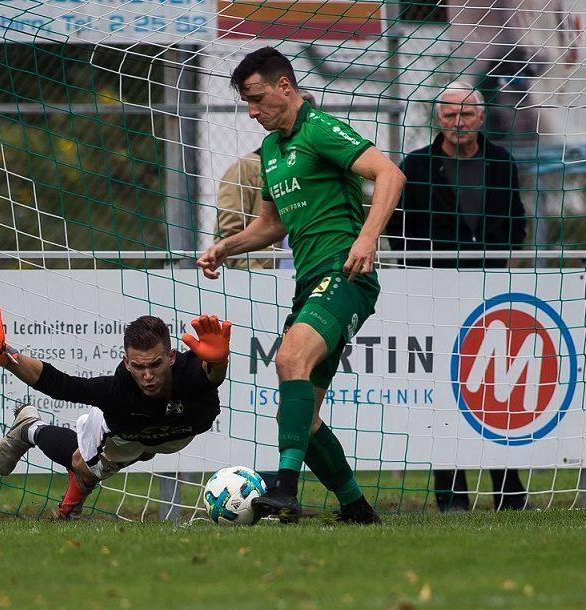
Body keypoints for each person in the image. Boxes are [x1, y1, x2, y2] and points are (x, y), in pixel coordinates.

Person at [197, 47, 406, 524]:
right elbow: (271, 226)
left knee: (290, 359)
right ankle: (356, 508)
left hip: (346, 273)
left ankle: (284, 490)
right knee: (302, 420)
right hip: (309, 279)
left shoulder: (320, 129)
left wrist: (367, 240)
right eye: (246, 102)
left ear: (284, 87)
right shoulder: (270, 151)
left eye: (255, 98)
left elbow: (390, 174)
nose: (251, 111)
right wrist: (226, 247)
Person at [385, 80, 529, 512]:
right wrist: (421, 275)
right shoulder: (417, 165)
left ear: (481, 118)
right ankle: (451, 496)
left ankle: (509, 491)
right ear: (438, 119)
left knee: (496, 391)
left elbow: (516, 223)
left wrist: (501, 261)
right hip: (434, 297)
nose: (459, 122)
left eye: (467, 114)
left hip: (490, 296)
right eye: (450, 114)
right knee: (443, 394)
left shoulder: (502, 163)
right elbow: (397, 228)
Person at [0, 303, 231, 519]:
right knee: (85, 467)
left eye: (155, 364)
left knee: (142, 452)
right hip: (125, 436)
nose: (147, 375)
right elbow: (60, 385)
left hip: (170, 435)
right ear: (127, 362)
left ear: (171, 357)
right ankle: (30, 429)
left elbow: (211, 374)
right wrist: (3, 354)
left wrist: (220, 362)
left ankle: (70, 499)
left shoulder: (191, 374)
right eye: (138, 367)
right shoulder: (118, 393)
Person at [216, 92, 317, 270]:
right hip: (269, 278)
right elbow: (226, 233)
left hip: (315, 269)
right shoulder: (246, 169)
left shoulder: (318, 165)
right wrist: (261, 276)